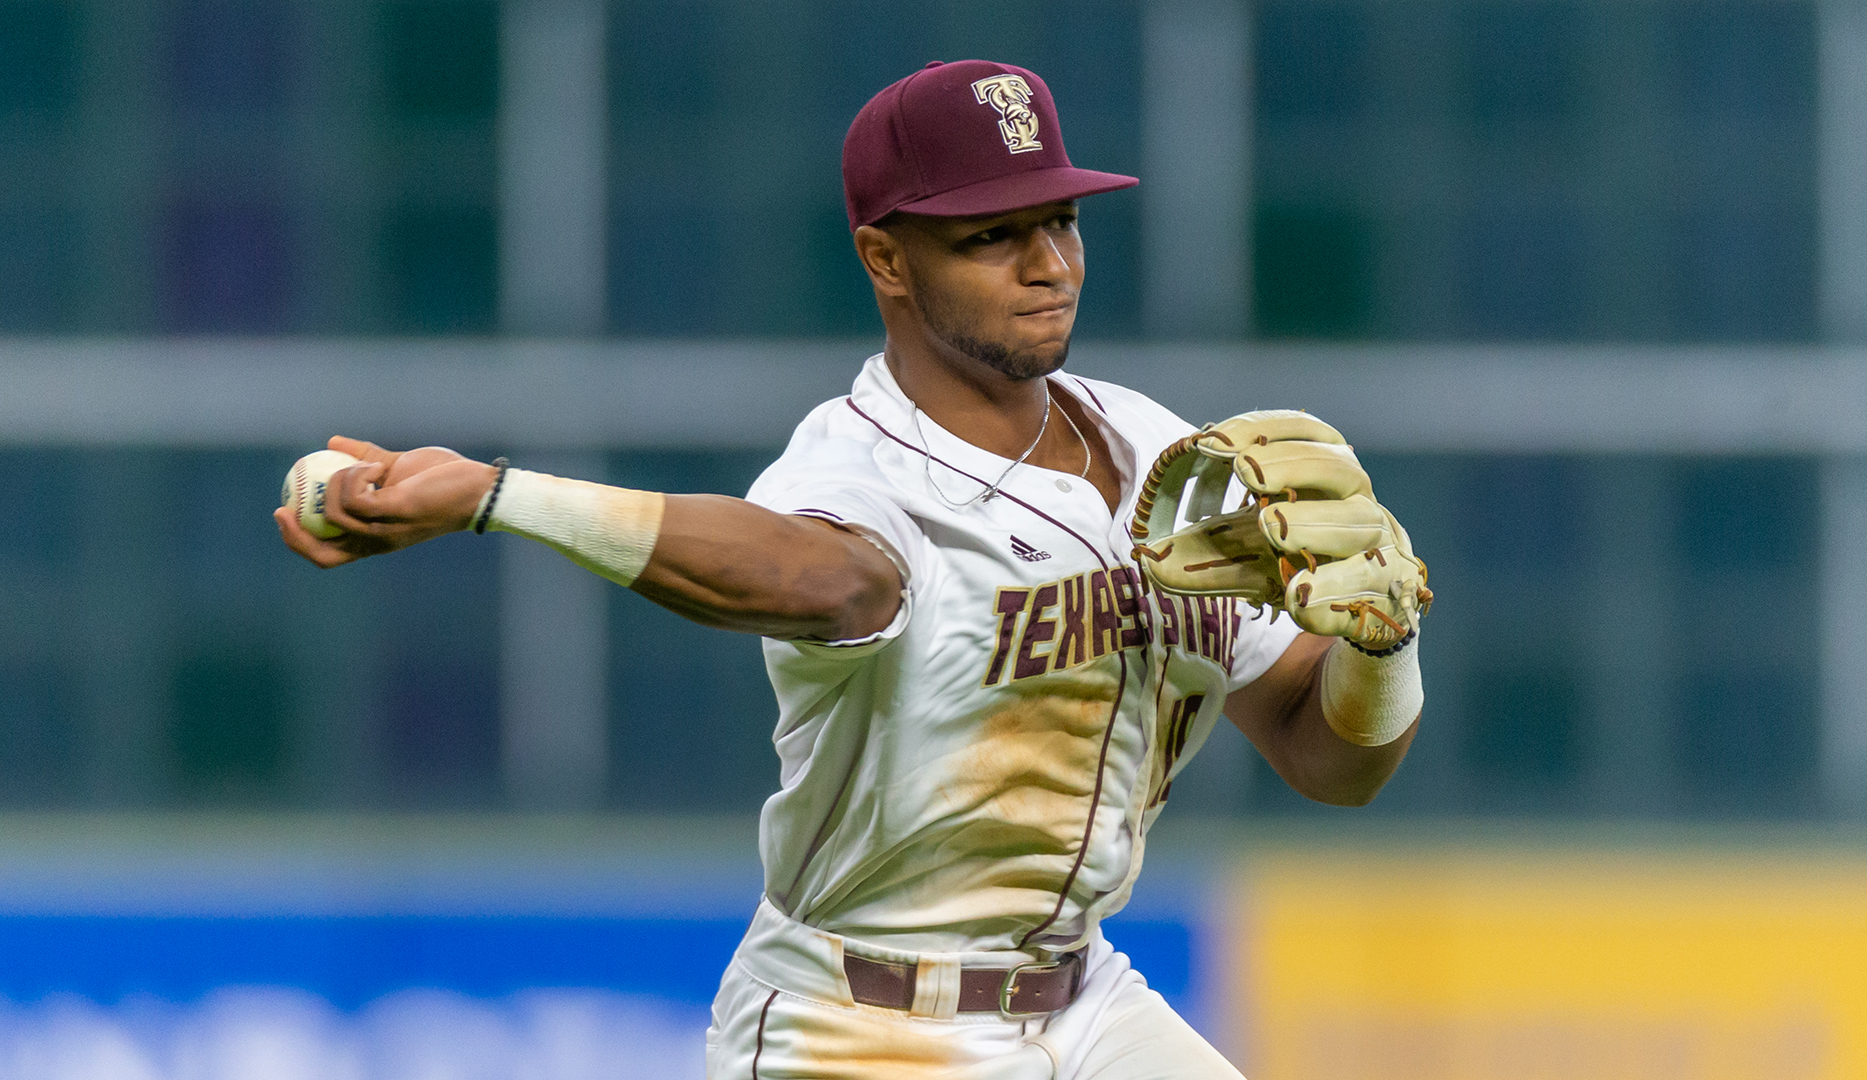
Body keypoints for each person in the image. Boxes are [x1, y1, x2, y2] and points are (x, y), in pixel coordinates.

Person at [277, 59, 1424, 1080]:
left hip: (1089, 1001)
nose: (1048, 264)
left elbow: (1330, 763)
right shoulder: (856, 467)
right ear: (886, 257)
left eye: (1061, 222)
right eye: (992, 236)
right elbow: (826, 582)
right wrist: (497, 496)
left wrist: (1382, 648)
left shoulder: (1156, 450)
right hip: (865, 1025)